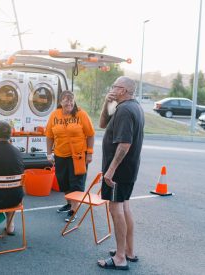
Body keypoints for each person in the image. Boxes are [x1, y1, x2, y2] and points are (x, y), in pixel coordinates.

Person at [97, 76, 144, 270]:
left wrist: (110, 170)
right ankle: (128, 251)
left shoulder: (125, 110)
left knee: (116, 210)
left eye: (115, 86)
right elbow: (102, 124)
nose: (112, 88)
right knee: (124, 207)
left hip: (119, 171)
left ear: (123, 90)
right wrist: (108, 102)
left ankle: (120, 258)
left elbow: (125, 144)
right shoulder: (132, 106)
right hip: (129, 169)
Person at [45, 90, 95, 222]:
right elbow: (49, 136)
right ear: (61, 102)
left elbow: (90, 134)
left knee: (76, 183)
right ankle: (69, 204)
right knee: (64, 182)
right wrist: (49, 153)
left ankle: (74, 210)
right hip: (60, 155)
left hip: (78, 156)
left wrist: (89, 153)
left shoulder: (81, 114)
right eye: (66, 100)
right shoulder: (54, 115)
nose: (69, 102)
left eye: (71, 100)